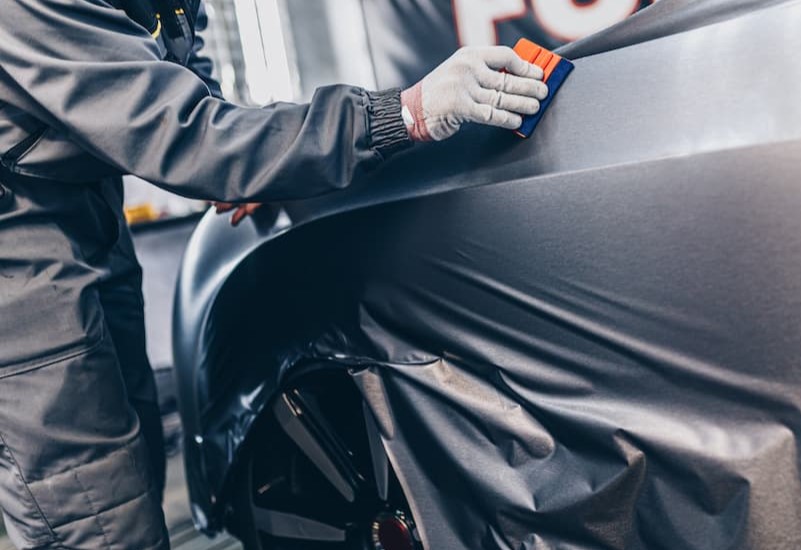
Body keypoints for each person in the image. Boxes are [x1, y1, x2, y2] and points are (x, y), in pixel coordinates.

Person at [0, 0, 548, 547]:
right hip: (17, 246)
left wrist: (255, 160)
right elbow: (182, 133)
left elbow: (177, 62)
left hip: (80, 204)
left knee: (131, 456)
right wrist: (399, 115)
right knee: (93, 511)